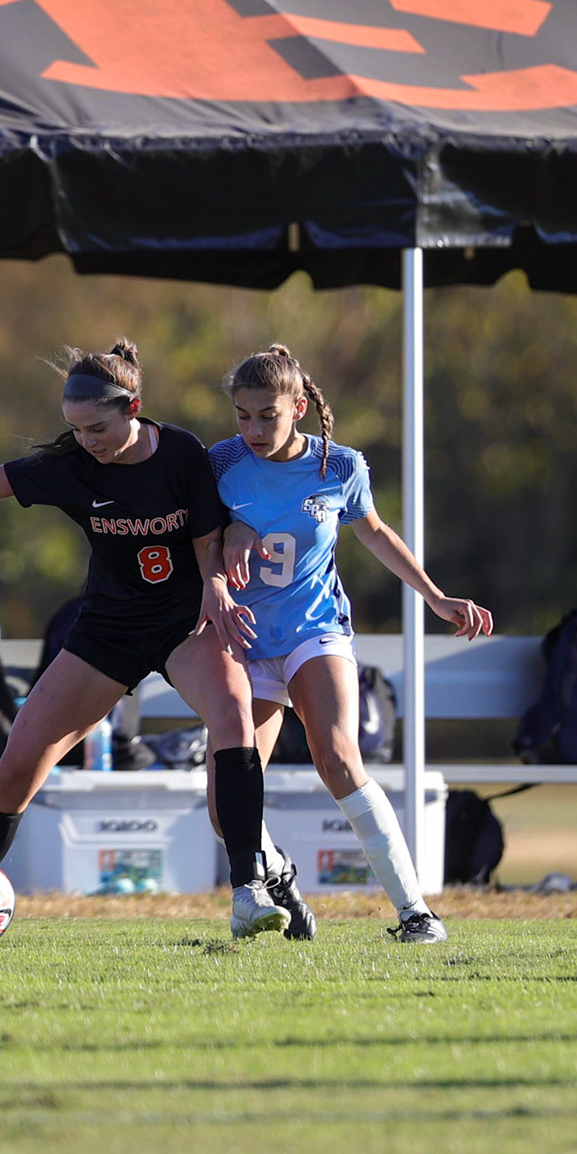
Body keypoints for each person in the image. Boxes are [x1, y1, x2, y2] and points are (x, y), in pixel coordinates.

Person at [0, 339, 291, 943]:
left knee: (233, 718)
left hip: (187, 623)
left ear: (134, 408)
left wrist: (217, 586)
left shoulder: (180, 453)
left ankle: (250, 891)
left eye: (97, 427)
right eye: (75, 429)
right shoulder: (70, 466)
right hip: (107, 631)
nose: (87, 441)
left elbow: (207, 542)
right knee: (19, 764)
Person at [213, 345, 492, 943]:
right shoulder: (220, 463)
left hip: (315, 629)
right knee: (224, 802)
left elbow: (376, 533)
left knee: (338, 756)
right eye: (243, 415)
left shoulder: (339, 466)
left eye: (268, 414)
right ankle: (279, 874)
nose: (254, 429)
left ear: (299, 406)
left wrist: (437, 597)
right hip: (248, 641)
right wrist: (231, 532)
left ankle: (417, 913)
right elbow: (199, 539)